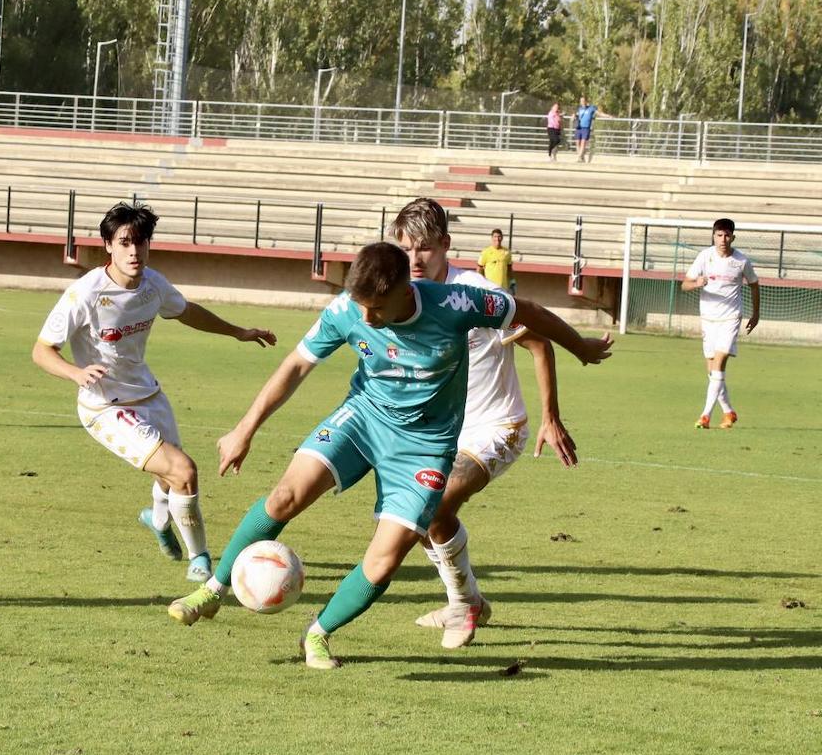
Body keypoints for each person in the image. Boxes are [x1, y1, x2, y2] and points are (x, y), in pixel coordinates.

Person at [168, 214, 612, 670]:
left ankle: (318, 634)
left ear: (405, 291)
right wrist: (245, 428)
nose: (365, 317)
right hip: (363, 419)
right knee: (285, 495)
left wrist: (581, 347)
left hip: (425, 446)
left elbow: (531, 314)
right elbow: (296, 367)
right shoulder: (347, 309)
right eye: (359, 305)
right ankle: (214, 589)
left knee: (382, 562)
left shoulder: (456, 303)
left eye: (375, 309)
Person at [33, 202, 277, 582]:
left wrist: (239, 332)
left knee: (171, 479)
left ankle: (158, 518)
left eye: (141, 242)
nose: (135, 251)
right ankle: (202, 563)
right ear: (108, 246)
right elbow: (41, 350)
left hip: (149, 396)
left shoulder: (153, 285)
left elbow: (187, 311)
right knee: (184, 471)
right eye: (125, 242)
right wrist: (75, 372)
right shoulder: (84, 294)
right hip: (104, 408)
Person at [393, 199, 577, 649]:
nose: (415, 259)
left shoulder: (473, 292)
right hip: (443, 432)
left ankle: (462, 606)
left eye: (425, 249)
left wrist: (552, 417)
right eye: (406, 249)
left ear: (446, 247)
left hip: (499, 427)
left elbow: (538, 343)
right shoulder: (402, 294)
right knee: (411, 518)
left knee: (436, 510)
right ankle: (469, 598)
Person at [680, 218, 759, 430]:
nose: (723, 239)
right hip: (708, 318)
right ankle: (729, 412)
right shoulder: (704, 257)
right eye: (719, 235)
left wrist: (756, 313)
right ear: (713, 236)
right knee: (713, 371)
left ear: (733, 237)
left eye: (726, 235)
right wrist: (697, 283)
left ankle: (705, 415)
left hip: (731, 318)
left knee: (719, 363)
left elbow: (754, 284)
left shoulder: (741, 261)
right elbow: (684, 285)